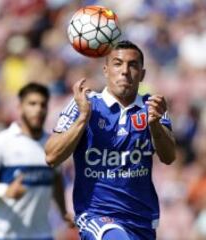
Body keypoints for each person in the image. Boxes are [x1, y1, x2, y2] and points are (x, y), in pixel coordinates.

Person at [45, 40, 176, 240]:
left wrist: (155, 124)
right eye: (117, 64)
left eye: (132, 65)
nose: (125, 71)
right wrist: (82, 118)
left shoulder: (153, 107)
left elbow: (169, 157)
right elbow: (52, 156)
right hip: (97, 216)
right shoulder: (86, 104)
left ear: (142, 74)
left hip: (141, 220)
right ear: (106, 70)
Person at [0, 83, 69, 240]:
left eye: (43, 105)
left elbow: (56, 179)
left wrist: (64, 212)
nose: (38, 109)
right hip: (5, 235)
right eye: (32, 104)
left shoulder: (52, 144)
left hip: (42, 234)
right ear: (20, 107)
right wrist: (4, 191)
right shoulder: (1, 141)